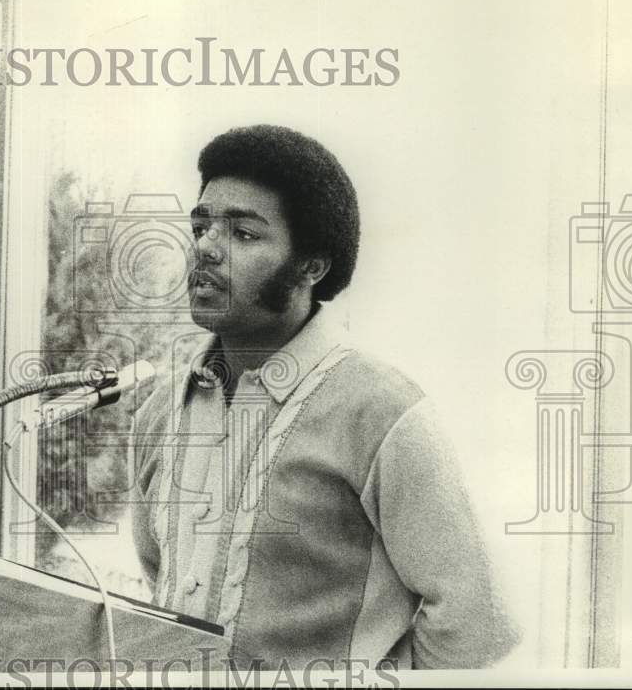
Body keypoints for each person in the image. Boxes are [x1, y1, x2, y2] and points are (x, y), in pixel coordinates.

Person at [130, 125, 519, 670]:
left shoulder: (381, 411)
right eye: (201, 225)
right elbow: (163, 585)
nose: (205, 248)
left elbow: (479, 624)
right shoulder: (159, 410)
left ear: (311, 267)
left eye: (243, 234)